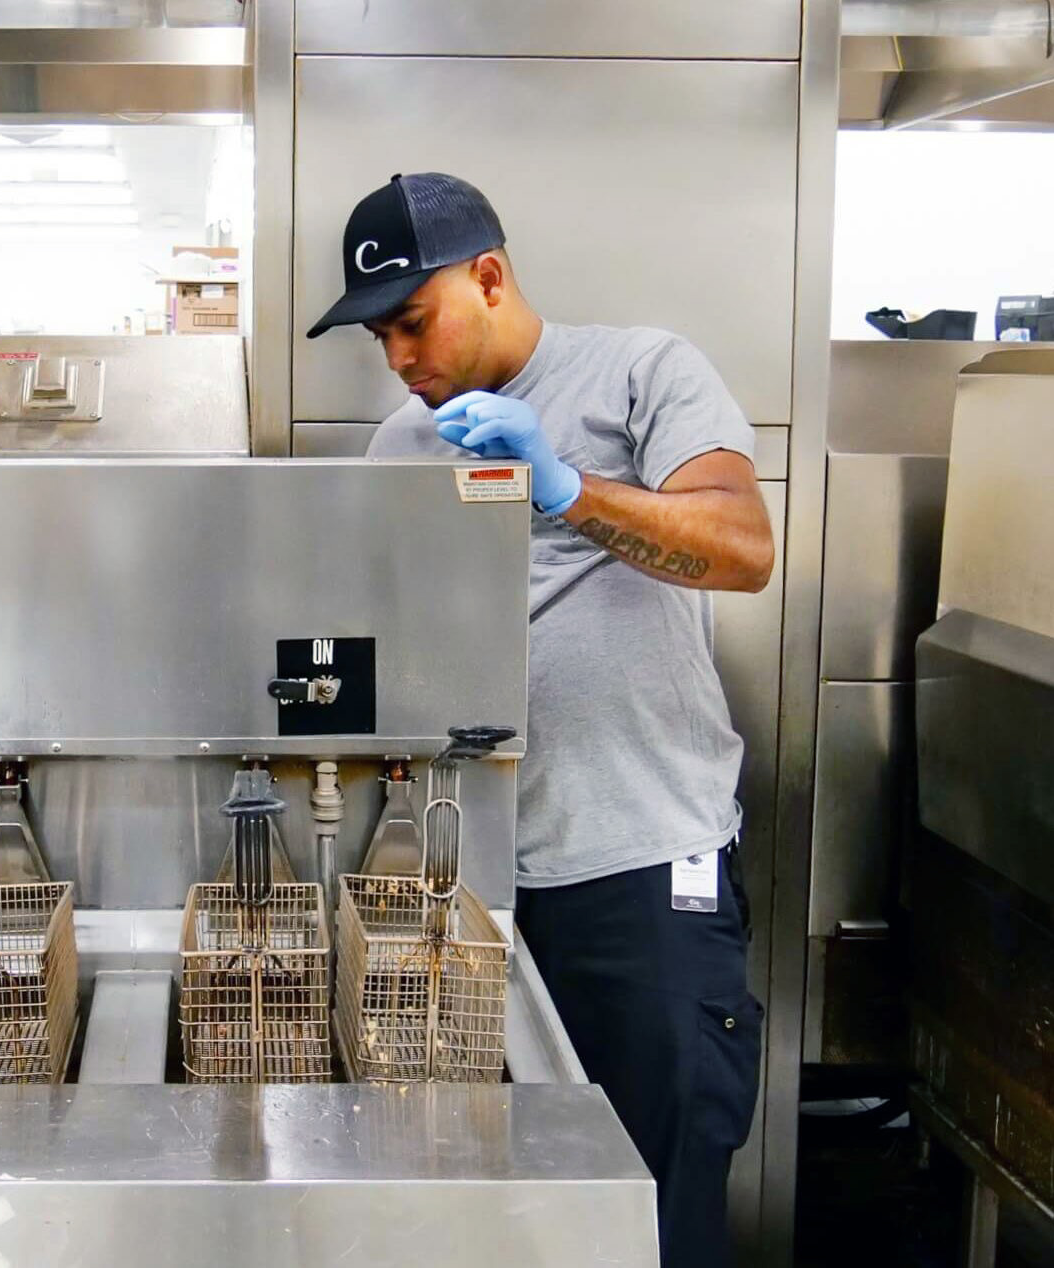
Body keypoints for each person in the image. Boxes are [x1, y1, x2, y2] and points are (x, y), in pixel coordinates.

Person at [307, 172, 776, 1268]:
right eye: (380, 337)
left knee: (654, 1208)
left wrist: (565, 486)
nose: (400, 360)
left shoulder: (641, 370)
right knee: (495, 1212)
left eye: (412, 324)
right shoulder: (399, 450)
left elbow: (742, 549)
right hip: (469, 891)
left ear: (487, 276)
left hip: (638, 877)